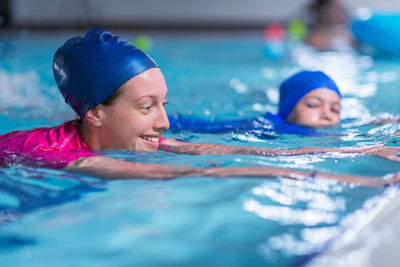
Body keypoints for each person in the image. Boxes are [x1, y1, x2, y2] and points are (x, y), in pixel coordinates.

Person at [0, 28, 398, 188]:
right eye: (146, 107)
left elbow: (261, 152)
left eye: (163, 104)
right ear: (95, 112)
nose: (166, 122)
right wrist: (364, 182)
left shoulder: (144, 138)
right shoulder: (60, 156)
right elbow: (199, 170)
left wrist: (365, 150)